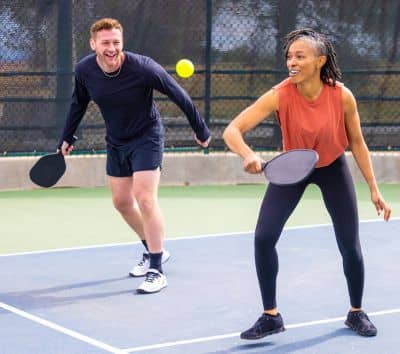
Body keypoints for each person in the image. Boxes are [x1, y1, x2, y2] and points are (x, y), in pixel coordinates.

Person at [223, 28, 391, 339]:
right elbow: (232, 130)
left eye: (300, 56)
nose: (292, 62)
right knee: (263, 238)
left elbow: (357, 142)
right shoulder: (279, 94)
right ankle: (270, 315)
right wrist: (247, 154)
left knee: (349, 245)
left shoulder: (342, 96)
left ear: (320, 61)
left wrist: (374, 189)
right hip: (294, 167)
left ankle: (356, 312)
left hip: (332, 167)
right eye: (289, 56)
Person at [58, 18, 211, 294]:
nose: (112, 48)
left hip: (147, 137)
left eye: (116, 42)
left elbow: (178, 94)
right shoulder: (85, 70)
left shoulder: (143, 68)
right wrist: (67, 136)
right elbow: (78, 102)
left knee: (145, 198)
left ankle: (156, 269)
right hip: (116, 141)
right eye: (105, 43)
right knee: (121, 202)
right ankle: (155, 250)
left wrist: (200, 129)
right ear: (93, 44)